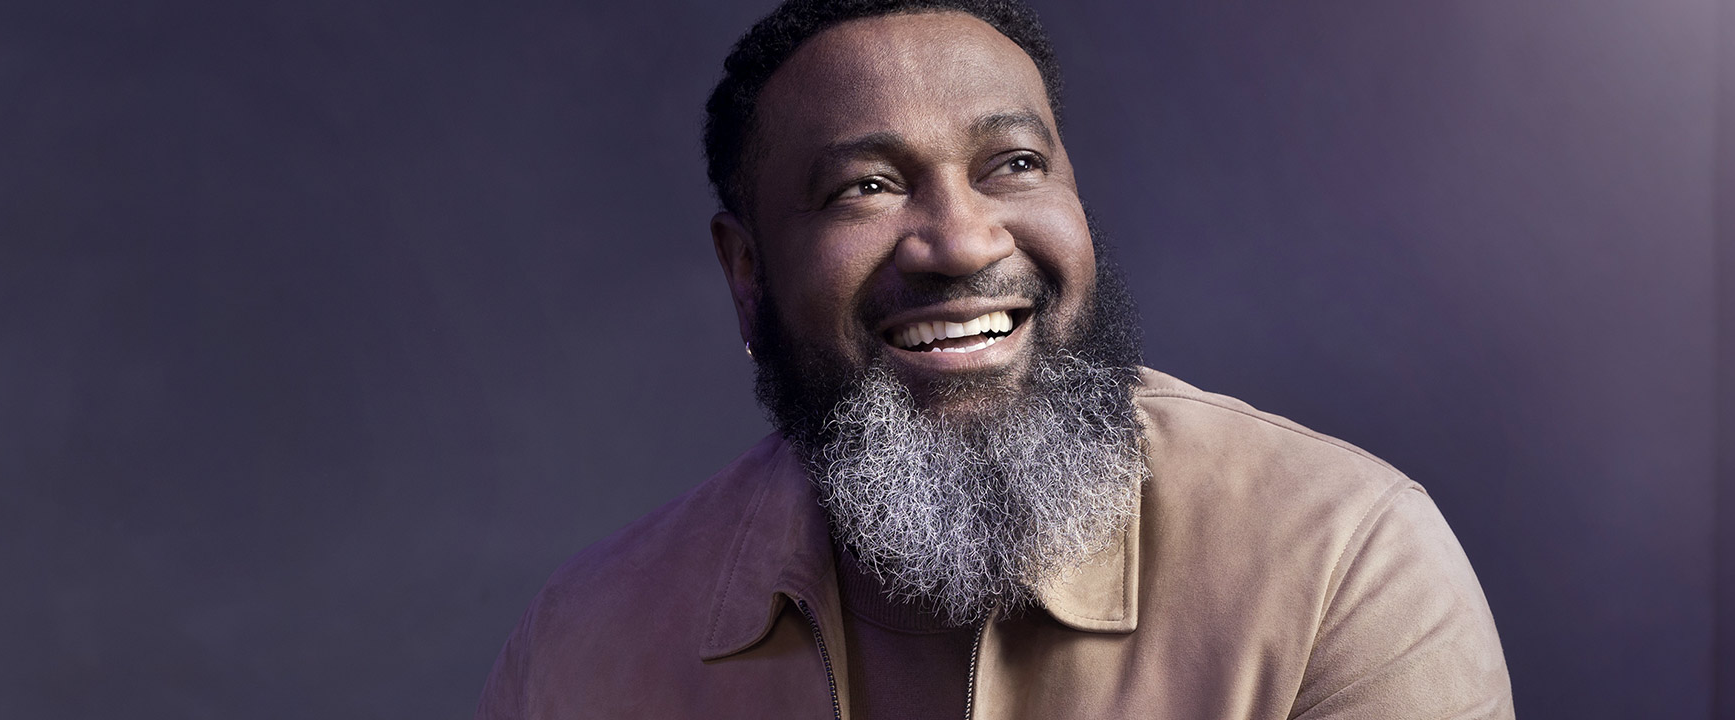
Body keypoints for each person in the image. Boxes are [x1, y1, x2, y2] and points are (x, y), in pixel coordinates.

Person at [474, 1, 1514, 717]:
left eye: (1012, 164)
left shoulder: (1341, 561)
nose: (962, 242)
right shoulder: (582, 647)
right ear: (746, 271)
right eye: (863, 187)